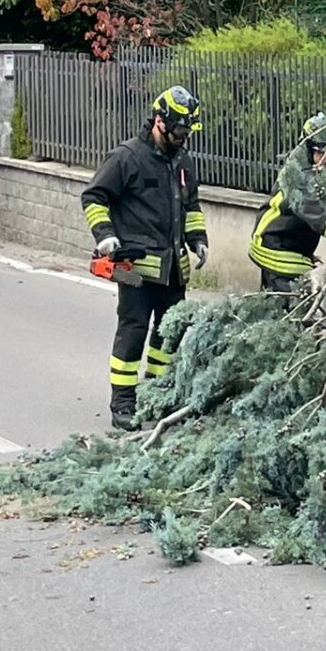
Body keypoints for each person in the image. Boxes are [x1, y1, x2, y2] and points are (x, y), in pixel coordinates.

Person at [81, 85, 209, 432]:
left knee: (168, 335)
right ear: (159, 121)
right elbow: (93, 197)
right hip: (131, 268)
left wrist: (198, 239)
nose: (183, 138)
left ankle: (156, 392)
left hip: (172, 269)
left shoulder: (182, 161)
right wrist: (105, 235)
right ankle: (123, 402)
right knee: (133, 330)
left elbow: (191, 206)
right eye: (179, 131)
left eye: (188, 132)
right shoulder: (127, 157)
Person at [249, 115, 326, 293]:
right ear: (308, 149)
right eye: (320, 154)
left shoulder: (318, 173)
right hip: (277, 248)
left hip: (289, 243)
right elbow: (324, 220)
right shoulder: (301, 178)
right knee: (292, 305)